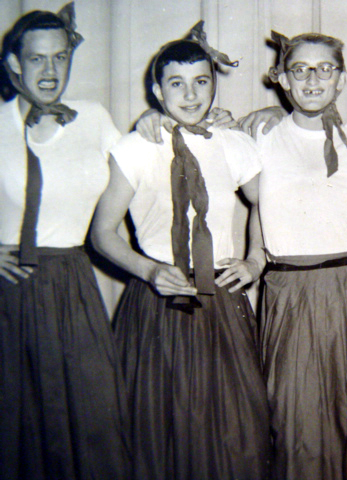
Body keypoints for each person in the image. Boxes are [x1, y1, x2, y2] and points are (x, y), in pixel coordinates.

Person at [90, 25, 271, 480]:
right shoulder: (135, 148)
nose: (190, 95)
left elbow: (269, 205)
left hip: (221, 301)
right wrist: (149, 271)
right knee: (157, 431)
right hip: (156, 304)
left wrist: (255, 259)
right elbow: (102, 234)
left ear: (214, 84)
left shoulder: (233, 142)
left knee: (236, 430)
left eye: (201, 82)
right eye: (177, 83)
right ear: (158, 91)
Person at [0, 4, 131, 479]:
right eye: (37, 59)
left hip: (74, 288)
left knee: (94, 423)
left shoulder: (93, 119)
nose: (50, 70)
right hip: (10, 292)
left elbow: (145, 170)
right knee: (18, 428)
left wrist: (168, 125)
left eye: (60, 57)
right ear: (15, 63)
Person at [252, 31, 347, 480]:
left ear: (341, 79)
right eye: (300, 70)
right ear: (282, 79)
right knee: (292, 416)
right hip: (288, 287)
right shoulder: (260, 135)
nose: (313, 79)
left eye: (325, 69)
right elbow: (255, 207)